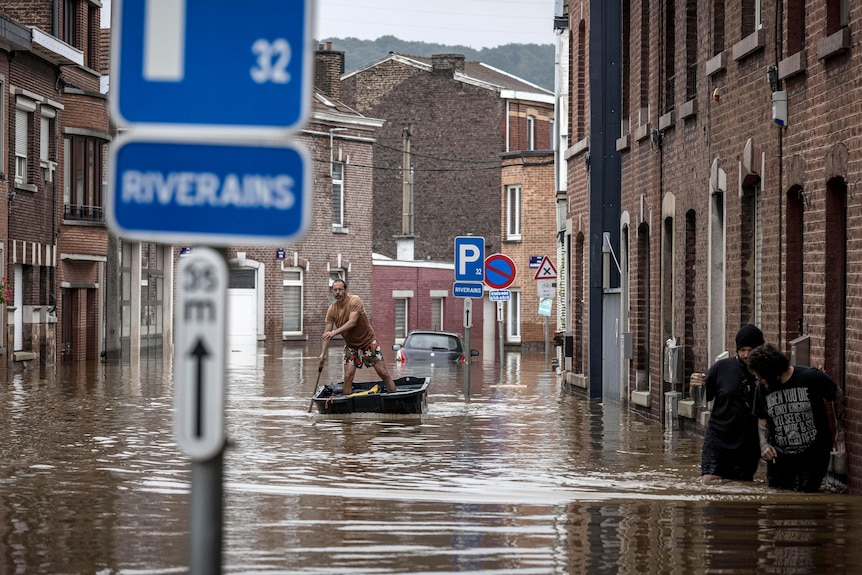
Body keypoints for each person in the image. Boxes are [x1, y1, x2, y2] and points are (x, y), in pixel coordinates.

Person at [748, 343, 845, 492]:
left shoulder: (811, 377)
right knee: (777, 503)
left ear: (773, 372)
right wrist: (764, 445)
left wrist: (841, 434)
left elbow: (836, 395)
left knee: (806, 501)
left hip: (813, 454)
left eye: (761, 377)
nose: (760, 381)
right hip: (779, 457)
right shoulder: (762, 388)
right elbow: (762, 420)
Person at [689, 325, 764, 483]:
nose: (746, 355)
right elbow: (701, 400)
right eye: (742, 349)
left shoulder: (766, 374)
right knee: (709, 481)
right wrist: (694, 387)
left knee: (742, 487)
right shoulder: (721, 368)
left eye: (751, 350)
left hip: (748, 443)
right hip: (718, 439)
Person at [318, 279, 396, 395]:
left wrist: (334, 333)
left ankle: (394, 396)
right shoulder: (332, 310)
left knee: (383, 372)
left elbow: (352, 322)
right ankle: (346, 404)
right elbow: (326, 335)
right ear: (332, 292)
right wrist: (322, 354)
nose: (337, 292)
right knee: (348, 375)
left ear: (346, 290)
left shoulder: (355, 301)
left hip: (368, 342)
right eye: (335, 290)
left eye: (340, 289)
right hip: (351, 346)